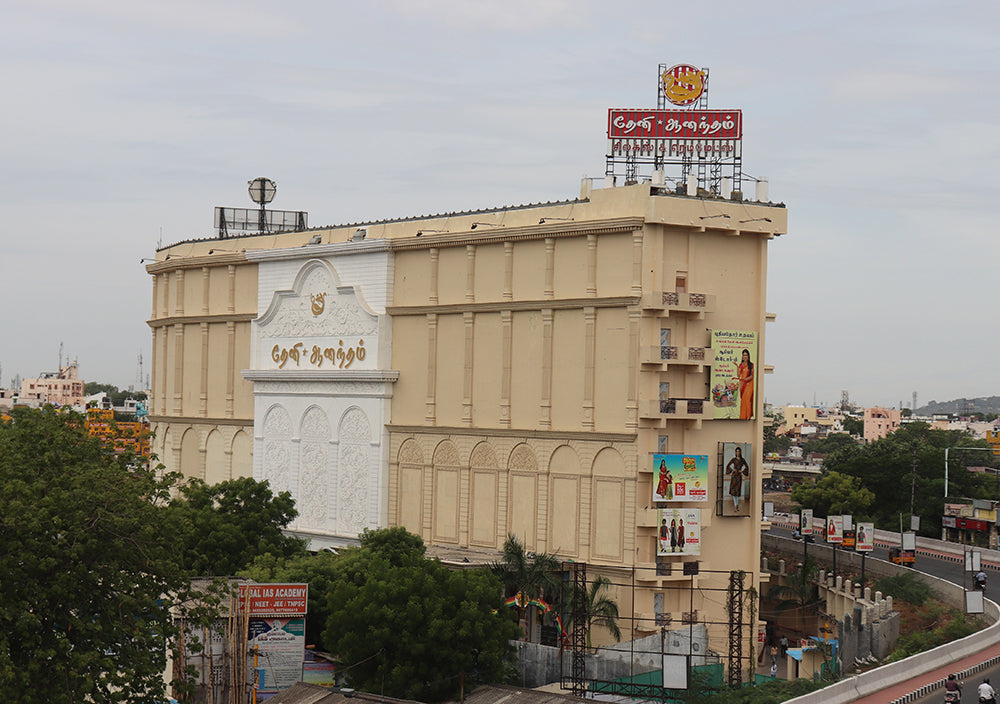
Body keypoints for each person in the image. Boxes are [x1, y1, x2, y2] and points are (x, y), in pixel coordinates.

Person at [725, 446, 750, 510]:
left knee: (738, 491)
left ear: (740, 452)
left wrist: (742, 471)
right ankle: (736, 505)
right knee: (733, 491)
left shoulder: (742, 460)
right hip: (734, 476)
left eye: (739, 451)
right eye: (736, 451)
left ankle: (737, 504)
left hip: (739, 476)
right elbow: (728, 465)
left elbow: (747, 467)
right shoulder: (733, 459)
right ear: (735, 452)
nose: (737, 453)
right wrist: (732, 470)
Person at [736, 348, 754, 419]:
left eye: (746, 355)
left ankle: (748, 416)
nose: (745, 357)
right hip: (743, 386)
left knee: (747, 401)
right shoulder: (741, 365)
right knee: (743, 402)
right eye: (744, 355)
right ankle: (743, 416)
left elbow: (752, 376)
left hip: (749, 385)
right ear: (742, 356)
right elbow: (738, 375)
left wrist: (745, 379)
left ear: (748, 356)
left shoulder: (751, 365)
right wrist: (738, 367)